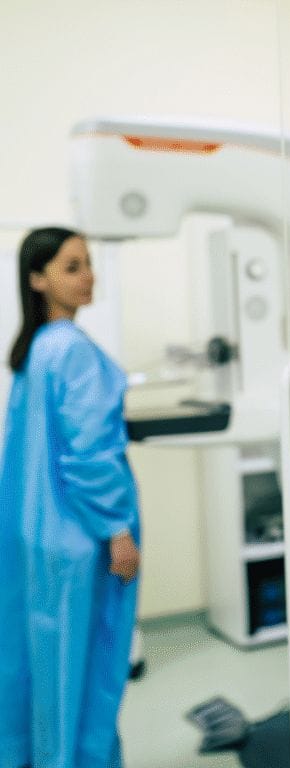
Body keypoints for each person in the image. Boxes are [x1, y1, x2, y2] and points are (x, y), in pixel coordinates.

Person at [0, 227, 142, 768]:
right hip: (81, 543)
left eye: (88, 263)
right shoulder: (73, 351)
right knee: (86, 675)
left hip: (37, 537)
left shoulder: (36, 349)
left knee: (41, 669)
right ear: (38, 279)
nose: (89, 276)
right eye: (72, 266)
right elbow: (88, 456)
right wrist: (118, 530)